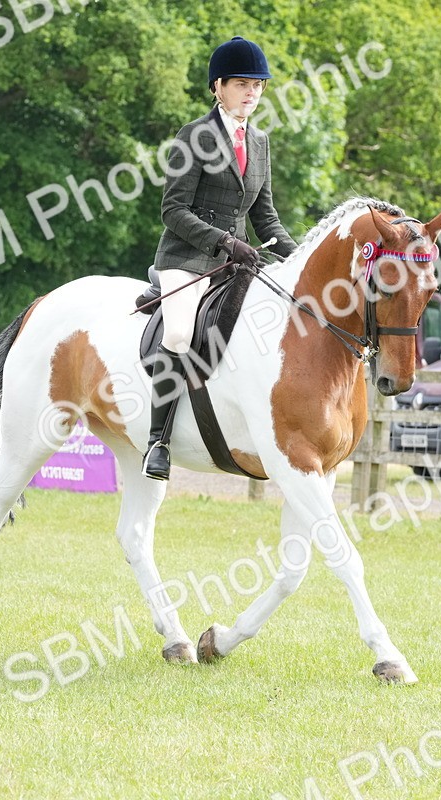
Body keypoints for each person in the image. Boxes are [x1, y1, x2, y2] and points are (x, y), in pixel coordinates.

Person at [142, 35, 298, 481]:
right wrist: (225, 243)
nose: (253, 92)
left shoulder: (261, 142)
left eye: (259, 85)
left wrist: (298, 257)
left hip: (239, 264)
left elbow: (266, 218)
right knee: (176, 333)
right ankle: (158, 441)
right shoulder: (194, 136)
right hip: (187, 261)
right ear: (219, 86)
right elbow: (173, 211)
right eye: (243, 84)